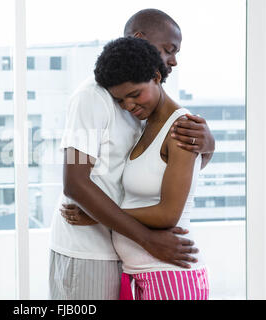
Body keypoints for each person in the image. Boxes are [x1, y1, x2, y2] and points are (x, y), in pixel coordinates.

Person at [49, 9, 215, 300]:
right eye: (168, 49)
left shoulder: (148, 105)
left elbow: (168, 170)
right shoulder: (93, 97)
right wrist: (147, 239)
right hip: (88, 250)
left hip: (129, 257)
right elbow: (74, 181)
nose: (173, 60)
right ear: (141, 39)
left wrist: (208, 144)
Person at [95, 36, 209, 300]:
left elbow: (168, 214)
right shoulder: (143, 127)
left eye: (135, 95)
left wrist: (100, 214)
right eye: (121, 101)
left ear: (157, 76)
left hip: (170, 275)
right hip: (138, 273)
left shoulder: (182, 128)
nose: (129, 106)